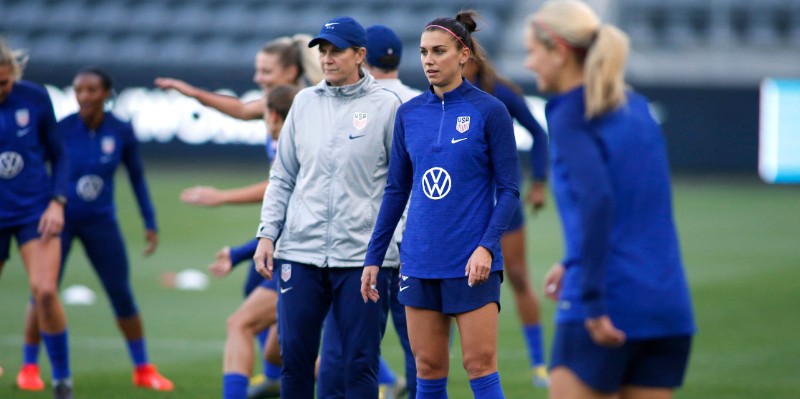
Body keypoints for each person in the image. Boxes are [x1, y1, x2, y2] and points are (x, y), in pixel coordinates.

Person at [524, 1, 696, 398]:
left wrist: (593, 301)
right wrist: (570, 262)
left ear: (559, 51)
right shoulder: (637, 108)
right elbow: (637, 202)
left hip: (607, 300)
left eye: (533, 51)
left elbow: (598, 202)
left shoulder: (569, 113)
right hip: (667, 303)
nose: (529, 64)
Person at [362, 11, 520, 399]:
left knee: (479, 366)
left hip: (471, 262)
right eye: (423, 52)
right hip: (419, 260)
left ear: (463, 54)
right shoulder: (409, 114)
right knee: (428, 369)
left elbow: (511, 189)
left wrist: (486, 246)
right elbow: (396, 190)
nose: (429, 60)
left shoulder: (490, 111)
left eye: (439, 51)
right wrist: (373, 256)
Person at [253, 16, 401, 399]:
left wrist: (393, 242)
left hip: (363, 259)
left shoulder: (388, 106)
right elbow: (282, 176)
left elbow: (405, 183)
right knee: (296, 361)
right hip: (300, 253)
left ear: (360, 55)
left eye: (337, 50)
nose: (327, 57)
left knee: (359, 363)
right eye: (323, 50)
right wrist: (268, 233)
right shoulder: (303, 102)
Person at [16, 68, 173, 392]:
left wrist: (150, 221)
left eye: (91, 90)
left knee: (121, 293)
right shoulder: (62, 129)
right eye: (78, 90)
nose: (84, 96)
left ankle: (143, 368)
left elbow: (137, 177)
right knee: (43, 293)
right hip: (59, 221)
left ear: (106, 93)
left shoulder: (121, 130)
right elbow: (36, 167)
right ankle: (29, 367)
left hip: (102, 221)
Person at [463, 40, 550, 387]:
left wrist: (540, 181)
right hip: (460, 207)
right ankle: (445, 358)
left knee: (516, 275)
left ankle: (539, 363)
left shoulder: (500, 94)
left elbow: (539, 134)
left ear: (468, 59)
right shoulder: (438, 96)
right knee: (449, 279)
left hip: (502, 203)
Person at [213, 84, 299, 399]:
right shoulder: (303, 144)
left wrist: (238, 253)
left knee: (239, 324)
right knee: (278, 354)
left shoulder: (290, 156)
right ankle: (368, 384)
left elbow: (288, 221)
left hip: (299, 260)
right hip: (305, 257)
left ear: (273, 116)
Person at [0, 38, 73, 399]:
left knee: (45, 291)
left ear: (13, 74)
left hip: (35, 210)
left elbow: (59, 155)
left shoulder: (35, 98)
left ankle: (62, 381)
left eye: (4, 82)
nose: (0, 90)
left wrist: (57, 202)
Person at [364, 24, 420, 399]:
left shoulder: (362, 104)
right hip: (415, 243)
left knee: (356, 347)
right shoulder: (423, 101)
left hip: (367, 244)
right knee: (420, 346)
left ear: (361, 58)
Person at [155, 34, 321, 121]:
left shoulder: (301, 109)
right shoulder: (279, 103)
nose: (258, 79)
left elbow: (285, 181)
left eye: (266, 71)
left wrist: (221, 189)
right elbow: (241, 109)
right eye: (258, 70)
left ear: (291, 72)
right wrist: (194, 93)